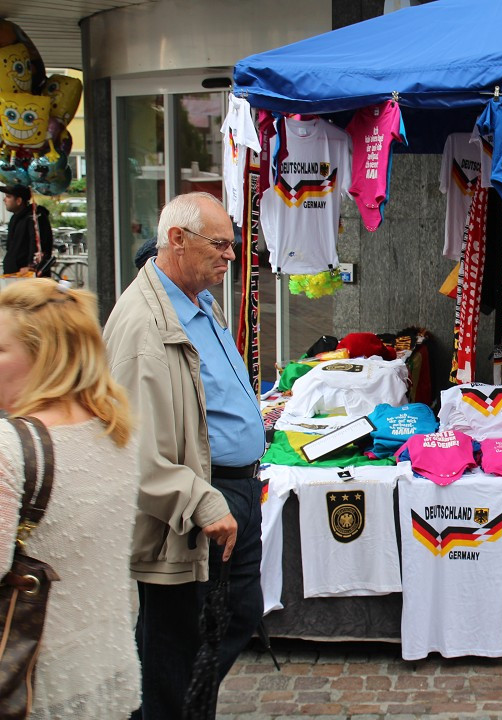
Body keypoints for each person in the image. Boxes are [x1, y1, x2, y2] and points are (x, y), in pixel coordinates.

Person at [103, 192, 266, 719]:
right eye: (219, 244)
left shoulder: (198, 300)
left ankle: (165, 705)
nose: (230, 256)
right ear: (176, 239)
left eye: (233, 245)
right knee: (180, 638)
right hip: (198, 502)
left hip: (232, 488)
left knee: (233, 617)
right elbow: (129, 445)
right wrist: (199, 500)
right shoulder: (143, 325)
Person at [0, 278, 140, 717]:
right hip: (106, 668)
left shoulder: (9, 445)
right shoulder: (115, 429)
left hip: (31, 679)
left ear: (42, 357)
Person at [2, 185, 53, 275]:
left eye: (8, 197)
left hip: (27, 275)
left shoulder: (35, 217)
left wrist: (32, 266)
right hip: (14, 274)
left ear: (19, 201)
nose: (4, 200)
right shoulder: (15, 218)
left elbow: (39, 243)